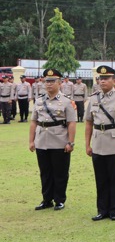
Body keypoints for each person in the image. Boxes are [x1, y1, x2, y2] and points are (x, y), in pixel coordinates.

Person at [85, 65, 115, 221]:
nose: (102, 81)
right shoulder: (93, 98)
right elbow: (88, 123)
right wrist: (87, 144)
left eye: (106, 78)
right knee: (101, 179)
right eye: (100, 78)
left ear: (114, 81)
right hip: (98, 143)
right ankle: (102, 210)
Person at [29, 68, 76, 211]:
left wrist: (70, 142)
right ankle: (46, 199)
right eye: (46, 81)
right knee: (45, 172)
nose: (49, 84)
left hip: (59, 141)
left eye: (52, 81)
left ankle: (59, 200)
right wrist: (31, 141)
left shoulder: (67, 102)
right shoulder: (39, 101)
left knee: (60, 172)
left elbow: (71, 123)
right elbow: (33, 122)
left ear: (60, 83)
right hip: (42, 141)